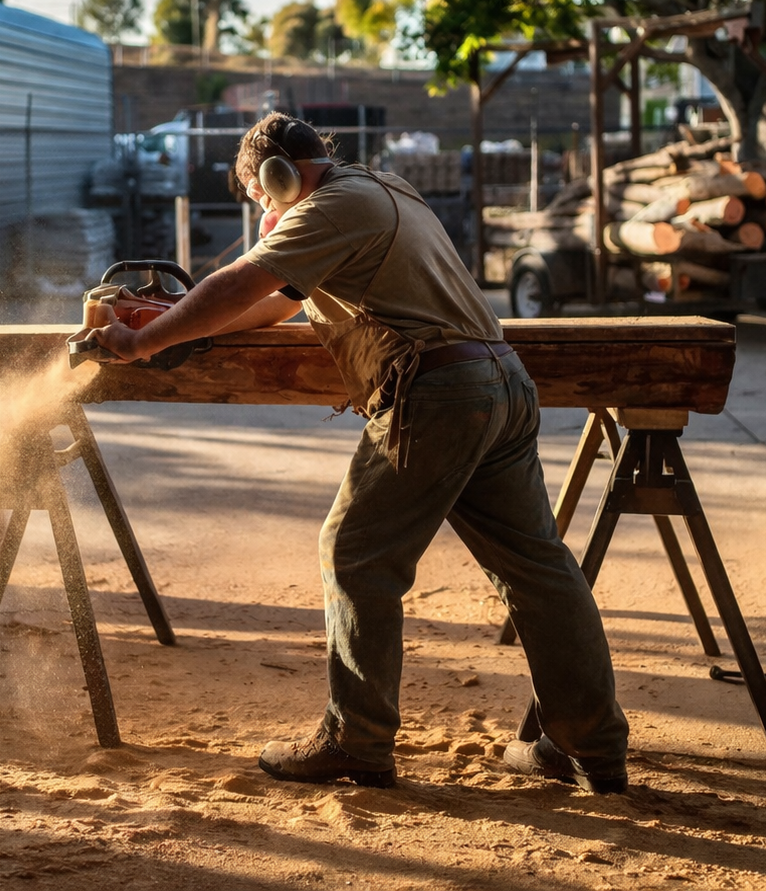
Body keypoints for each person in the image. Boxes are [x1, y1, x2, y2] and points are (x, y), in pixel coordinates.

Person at [92, 113, 628, 793]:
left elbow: (239, 283)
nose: (263, 212)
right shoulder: (382, 187)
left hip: (437, 393)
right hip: (498, 382)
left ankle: (355, 740)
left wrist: (142, 344)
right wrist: (170, 325)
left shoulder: (331, 204)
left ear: (278, 177)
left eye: (259, 197)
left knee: (354, 553)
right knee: (537, 569)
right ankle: (590, 749)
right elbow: (272, 305)